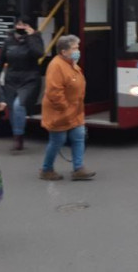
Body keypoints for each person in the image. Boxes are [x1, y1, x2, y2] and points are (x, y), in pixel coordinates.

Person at [39, 35, 95, 181]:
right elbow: (54, 92)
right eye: (75, 48)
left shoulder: (72, 64)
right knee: (58, 140)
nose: (78, 50)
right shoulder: (56, 66)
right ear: (64, 52)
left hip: (74, 111)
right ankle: (47, 169)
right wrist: (65, 109)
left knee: (78, 136)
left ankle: (78, 168)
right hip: (60, 112)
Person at [0, 16, 44, 151]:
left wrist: (31, 37)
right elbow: (0, 61)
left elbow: (39, 53)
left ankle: (18, 137)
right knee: (11, 108)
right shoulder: (8, 41)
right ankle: (17, 133)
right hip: (11, 79)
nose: (21, 27)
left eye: (25, 24)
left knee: (18, 105)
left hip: (30, 79)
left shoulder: (35, 39)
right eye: (19, 24)